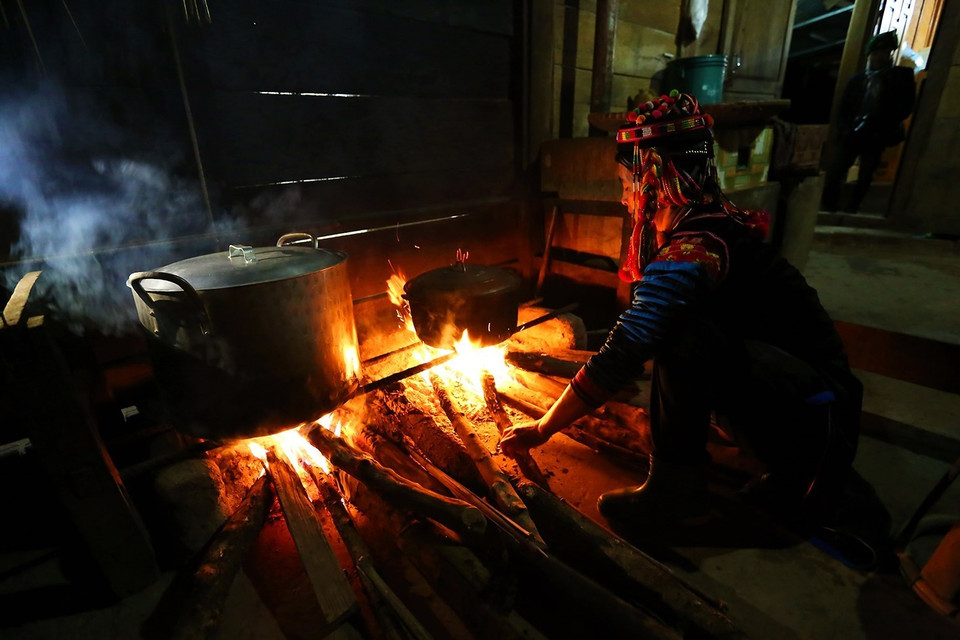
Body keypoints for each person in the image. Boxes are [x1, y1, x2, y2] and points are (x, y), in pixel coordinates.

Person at [500, 90, 863, 531]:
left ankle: (677, 490)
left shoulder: (696, 251)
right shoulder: (715, 225)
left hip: (818, 420)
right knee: (687, 334)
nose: (624, 199)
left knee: (679, 335)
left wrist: (542, 429)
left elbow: (624, 350)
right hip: (813, 406)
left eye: (626, 185)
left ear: (655, 181)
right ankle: (784, 472)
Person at [821, 30, 916, 214]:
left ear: (889, 54)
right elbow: (844, 107)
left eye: (883, 53)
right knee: (837, 169)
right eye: (875, 53)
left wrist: (884, 124)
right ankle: (829, 204)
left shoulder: (899, 77)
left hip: (876, 134)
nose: (878, 57)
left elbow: (905, 105)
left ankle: (853, 206)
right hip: (853, 132)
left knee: (866, 173)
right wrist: (844, 129)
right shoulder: (858, 80)